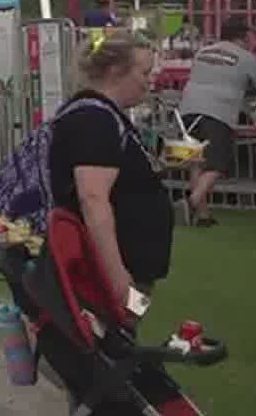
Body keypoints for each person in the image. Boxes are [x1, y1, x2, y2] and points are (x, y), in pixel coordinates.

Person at [48, 32, 171, 312]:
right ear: (116, 72)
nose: (150, 81)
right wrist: (116, 277)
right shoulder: (96, 120)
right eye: (144, 72)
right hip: (109, 272)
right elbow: (93, 198)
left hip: (126, 268)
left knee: (122, 336)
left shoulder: (103, 116)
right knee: (107, 340)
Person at [176, 19, 256, 227]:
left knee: (196, 161)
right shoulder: (246, 57)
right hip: (218, 112)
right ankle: (190, 203)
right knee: (217, 163)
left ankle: (203, 214)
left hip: (188, 109)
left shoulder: (203, 52)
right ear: (242, 36)